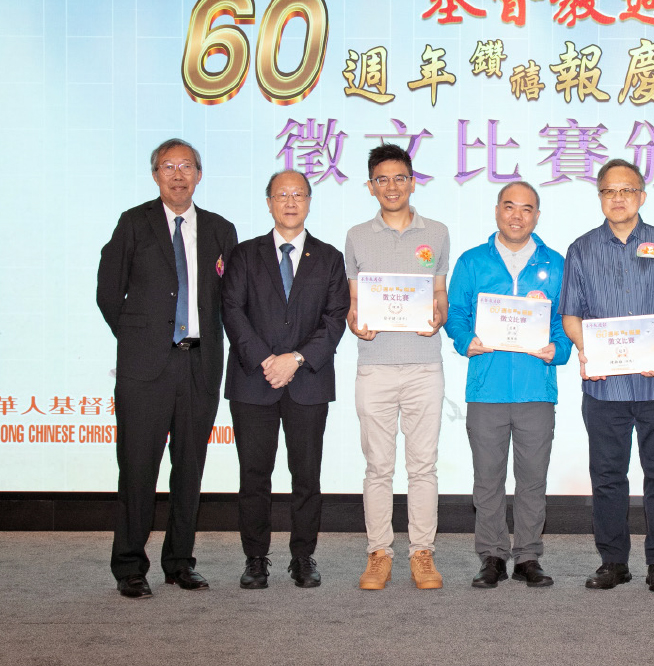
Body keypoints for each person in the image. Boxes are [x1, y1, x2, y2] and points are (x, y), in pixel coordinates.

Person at [97, 138, 238, 598]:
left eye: (186, 166)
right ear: (155, 175)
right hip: (145, 369)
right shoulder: (133, 222)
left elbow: (231, 299)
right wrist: (139, 338)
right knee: (137, 468)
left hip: (199, 364)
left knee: (189, 469)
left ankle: (179, 562)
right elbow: (108, 291)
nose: (178, 175)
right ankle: (129, 566)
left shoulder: (220, 229)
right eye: (168, 167)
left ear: (199, 175)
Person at [559, 158, 654, 593]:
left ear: (642, 195)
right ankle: (613, 561)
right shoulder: (581, 249)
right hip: (604, 388)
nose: (618, 198)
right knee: (607, 477)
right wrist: (586, 349)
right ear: (600, 197)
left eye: (627, 190)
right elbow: (571, 315)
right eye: (609, 191)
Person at [221, 170, 349, 589]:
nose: (290, 202)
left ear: (309, 201)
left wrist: (295, 359)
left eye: (299, 194)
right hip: (253, 380)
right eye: (282, 195)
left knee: (306, 475)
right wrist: (266, 360)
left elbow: (335, 319)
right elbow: (232, 311)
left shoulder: (329, 257)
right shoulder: (245, 254)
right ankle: (255, 558)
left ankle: (303, 556)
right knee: (254, 475)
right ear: (269, 202)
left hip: (307, 380)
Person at [445, 181, 573, 588]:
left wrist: (559, 348)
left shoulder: (556, 264)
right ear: (497, 210)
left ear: (537, 215)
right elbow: (455, 313)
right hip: (487, 388)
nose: (517, 216)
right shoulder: (472, 261)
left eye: (527, 208)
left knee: (533, 478)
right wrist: (465, 340)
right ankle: (492, 555)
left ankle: (528, 556)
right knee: (488, 478)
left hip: (537, 388)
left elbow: (566, 319)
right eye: (510, 206)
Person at [345, 143, 449, 590]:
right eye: (382, 179)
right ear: (371, 186)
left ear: (412, 182)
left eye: (400, 178)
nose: (392, 187)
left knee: (423, 466)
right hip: (375, 367)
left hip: (424, 366)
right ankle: (379, 553)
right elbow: (354, 303)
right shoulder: (356, 236)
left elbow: (439, 293)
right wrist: (355, 323)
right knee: (378, 468)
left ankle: (422, 552)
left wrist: (439, 315)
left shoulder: (437, 233)